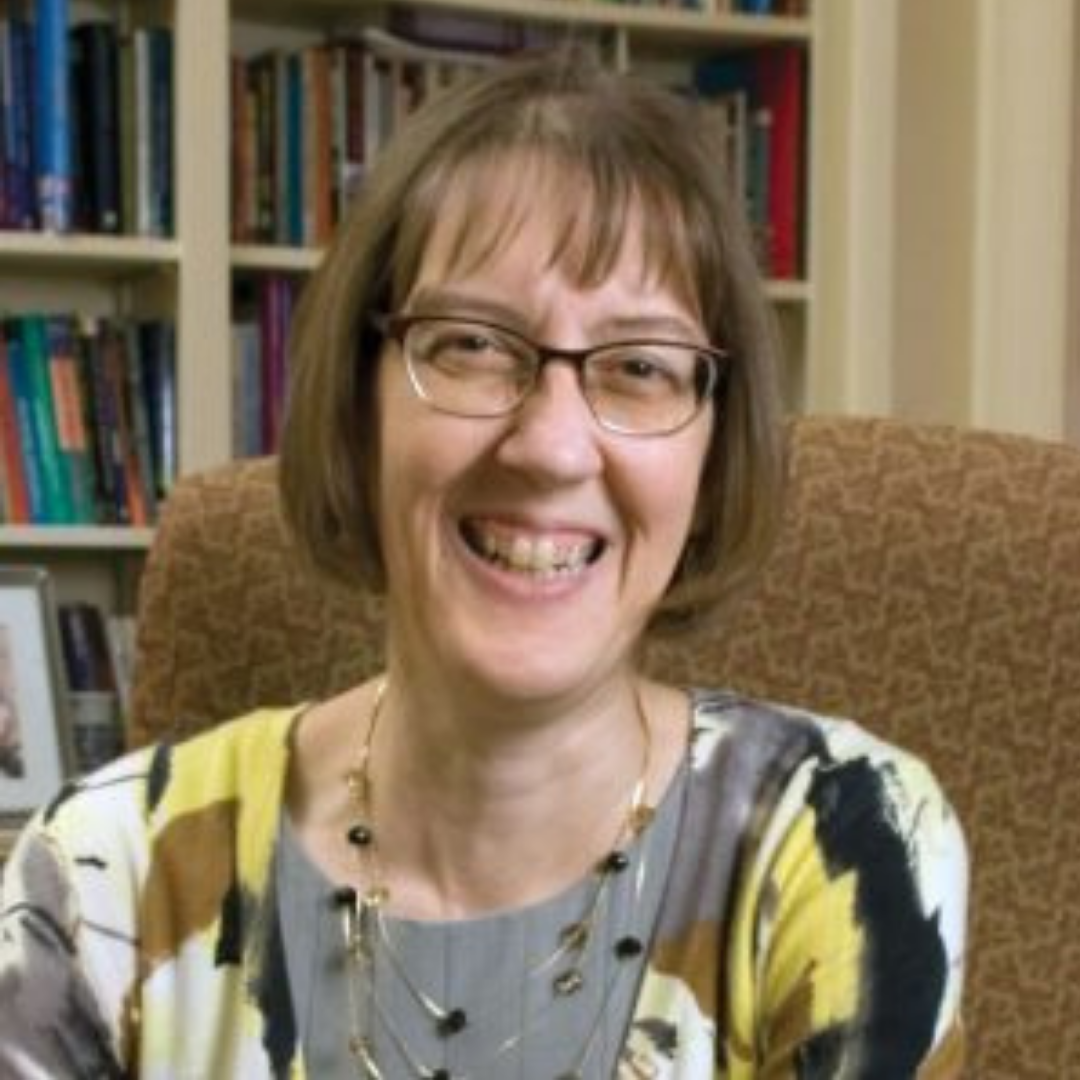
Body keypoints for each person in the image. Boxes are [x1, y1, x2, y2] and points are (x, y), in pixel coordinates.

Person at [0, 46, 967, 1078]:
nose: (550, 446)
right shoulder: (102, 876)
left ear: (712, 448)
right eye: (471, 344)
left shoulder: (846, 846)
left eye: (639, 366)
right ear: (360, 399)